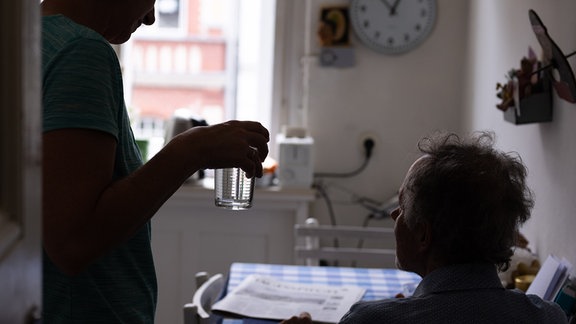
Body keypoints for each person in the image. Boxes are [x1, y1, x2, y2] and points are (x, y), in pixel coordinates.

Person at [40, 0, 269, 322]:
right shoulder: (80, 52)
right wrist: (190, 151)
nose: (150, 17)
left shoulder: (30, 42)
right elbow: (75, 241)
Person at [282, 132, 567, 324]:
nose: (395, 214)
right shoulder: (548, 317)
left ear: (423, 235)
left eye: (403, 206)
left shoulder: (369, 320)